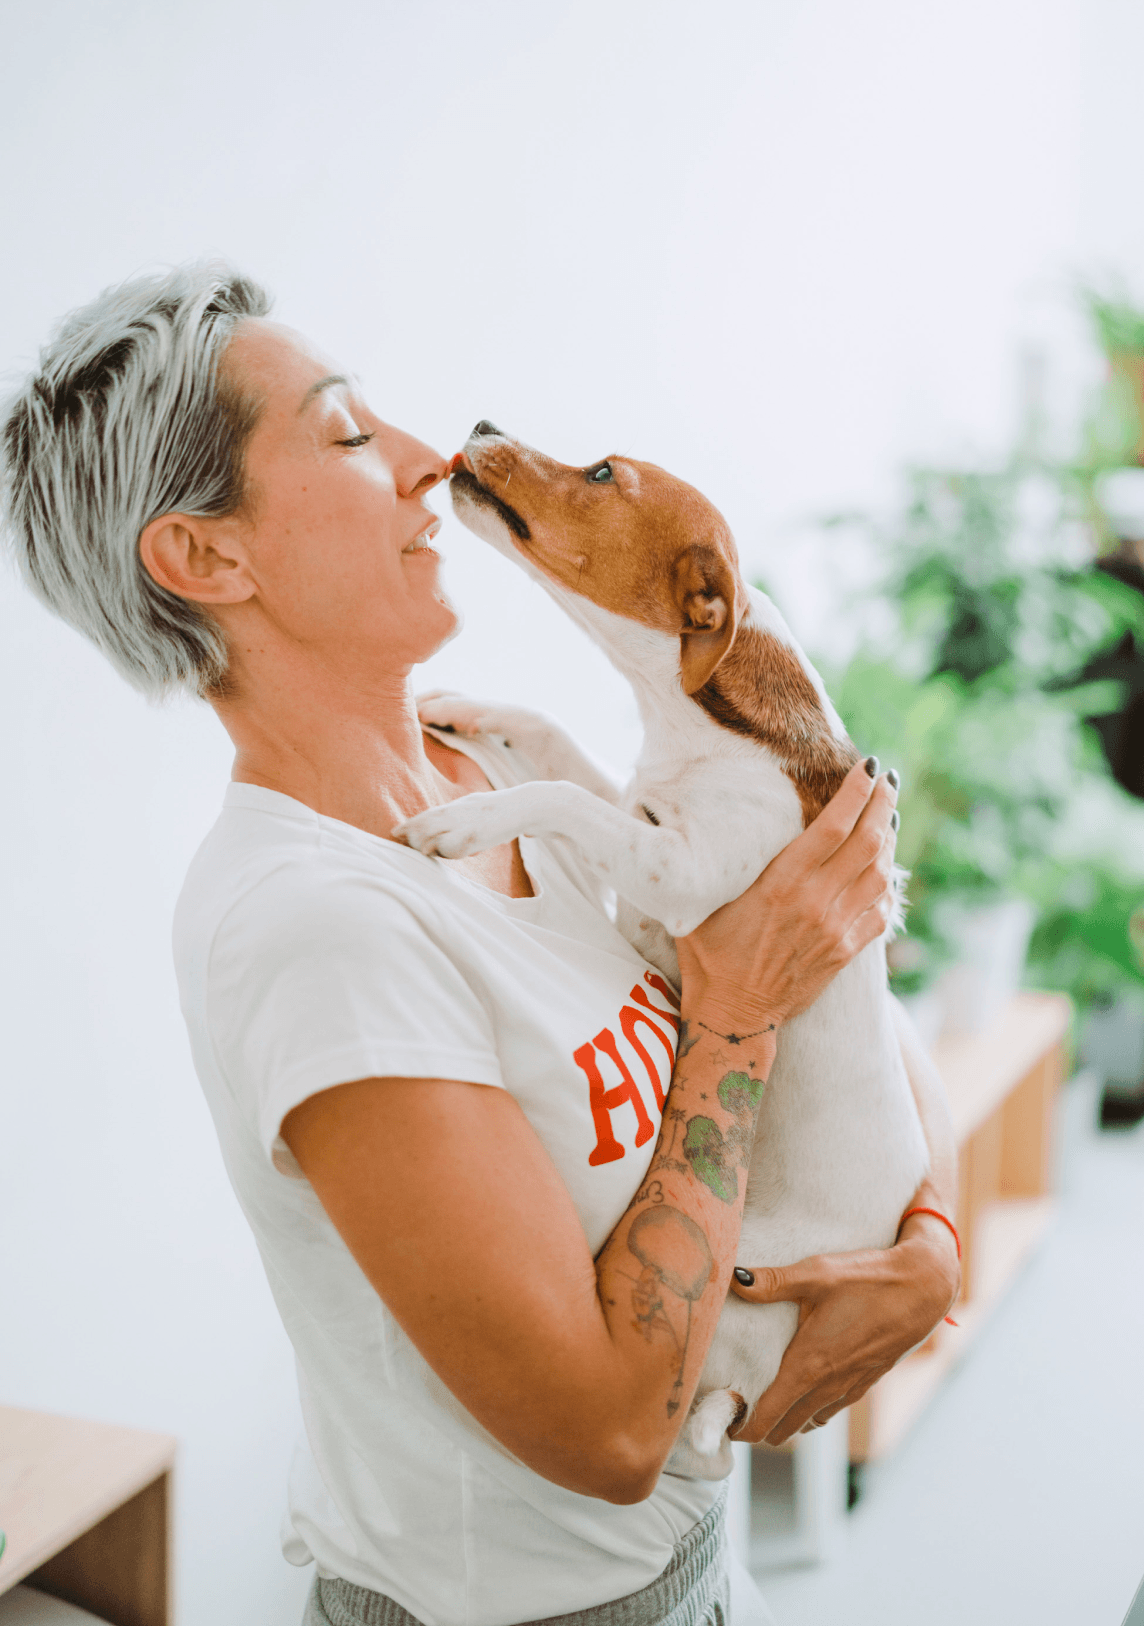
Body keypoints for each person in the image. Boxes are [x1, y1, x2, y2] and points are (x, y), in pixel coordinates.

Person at [1, 264, 961, 1626]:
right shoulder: (314, 927)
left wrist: (929, 1245)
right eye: (345, 432)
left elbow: (849, 998)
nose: (423, 457)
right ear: (208, 556)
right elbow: (615, 1435)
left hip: (698, 1571)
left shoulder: (488, 766)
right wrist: (734, 1009)